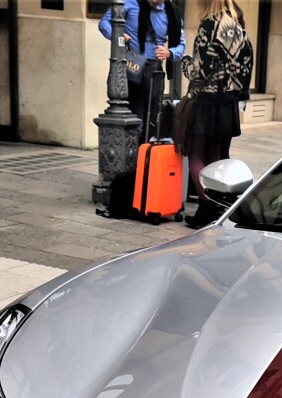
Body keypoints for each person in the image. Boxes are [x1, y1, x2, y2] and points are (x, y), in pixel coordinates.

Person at [182, 0, 254, 228]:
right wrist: (239, 94)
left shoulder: (209, 27)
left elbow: (200, 70)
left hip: (208, 100)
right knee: (215, 153)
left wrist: (185, 62)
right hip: (229, 101)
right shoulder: (239, 29)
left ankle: (206, 207)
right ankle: (218, 207)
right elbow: (247, 65)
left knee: (195, 153)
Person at [99, 0, 185, 132]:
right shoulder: (130, 3)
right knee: (135, 121)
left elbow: (181, 45)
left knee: (152, 121)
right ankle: (132, 151)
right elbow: (104, 23)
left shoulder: (171, 11)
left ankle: (144, 150)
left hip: (154, 71)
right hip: (131, 69)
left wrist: (169, 52)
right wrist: (118, 36)